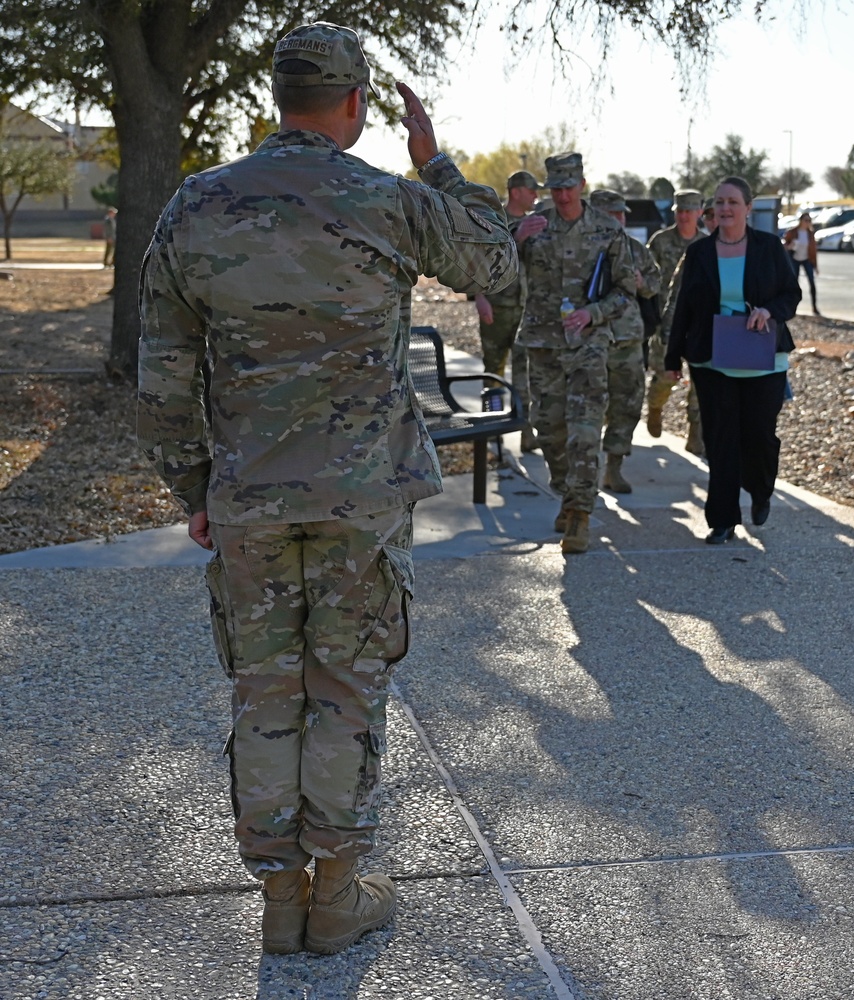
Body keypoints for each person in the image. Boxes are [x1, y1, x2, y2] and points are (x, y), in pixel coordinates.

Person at [136, 22, 516, 956]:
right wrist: (439, 164)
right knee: (346, 686)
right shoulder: (388, 199)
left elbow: (159, 373)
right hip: (361, 503)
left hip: (249, 502)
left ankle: (279, 899)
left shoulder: (197, 205)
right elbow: (497, 264)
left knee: (265, 690)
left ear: (278, 99)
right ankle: (336, 894)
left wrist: (194, 484)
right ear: (354, 104)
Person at [665, 175, 801, 544]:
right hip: (712, 360)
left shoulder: (770, 248)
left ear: (748, 208)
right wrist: (672, 356)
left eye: (732, 202)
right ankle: (722, 519)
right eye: (719, 202)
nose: (724, 208)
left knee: (758, 435)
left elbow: (792, 295)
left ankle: (760, 490)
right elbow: (684, 309)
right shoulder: (699, 253)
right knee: (721, 440)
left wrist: (769, 311)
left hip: (763, 358)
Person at [515, 152, 635, 553]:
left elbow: (625, 291)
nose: (563, 195)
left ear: (582, 185)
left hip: (589, 343)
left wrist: (592, 313)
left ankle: (580, 514)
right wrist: (515, 242)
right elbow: (492, 275)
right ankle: (567, 494)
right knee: (549, 429)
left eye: (569, 187)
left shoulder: (606, 229)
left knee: (584, 430)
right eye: (556, 188)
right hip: (543, 342)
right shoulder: (534, 226)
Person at [589, 188, 661, 493]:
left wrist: (643, 283)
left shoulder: (634, 248)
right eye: (613, 213)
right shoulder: (582, 246)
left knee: (628, 403)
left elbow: (655, 283)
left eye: (622, 213)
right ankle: (585, 472)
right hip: (590, 338)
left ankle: (614, 467)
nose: (620, 219)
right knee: (588, 407)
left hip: (628, 339)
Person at [473, 169, 540, 451]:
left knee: (524, 373)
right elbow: (477, 258)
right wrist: (479, 297)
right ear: (516, 192)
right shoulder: (492, 218)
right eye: (532, 190)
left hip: (525, 309)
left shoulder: (534, 222)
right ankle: (493, 427)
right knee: (494, 371)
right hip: (496, 307)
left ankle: (526, 431)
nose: (536, 195)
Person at [645, 188, 707, 452]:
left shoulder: (706, 243)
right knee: (665, 377)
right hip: (666, 324)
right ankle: (656, 406)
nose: (683, 216)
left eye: (688, 211)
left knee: (700, 382)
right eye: (679, 211)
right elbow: (647, 276)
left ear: (699, 213)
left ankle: (696, 434)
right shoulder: (660, 241)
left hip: (698, 325)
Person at [783, 211, 819, 314]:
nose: (807, 222)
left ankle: (814, 307)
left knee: (812, 283)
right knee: (794, 284)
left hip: (807, 260)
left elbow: (813, 251)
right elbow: (785, 245)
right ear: (801, 221)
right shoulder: (792, 232)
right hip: (795, 259)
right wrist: (790, 246)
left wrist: (816, 266)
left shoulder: (810, 234)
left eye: (809, 221)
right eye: (806, 220)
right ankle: (793, 308)